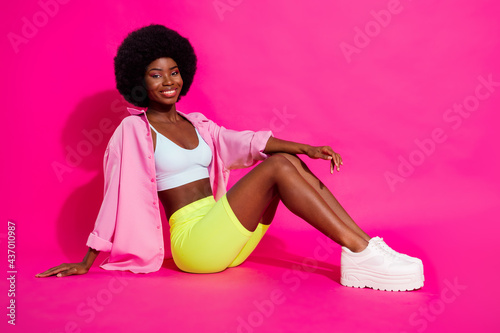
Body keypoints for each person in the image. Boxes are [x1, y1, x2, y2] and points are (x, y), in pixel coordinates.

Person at [36, 24, 424, 291]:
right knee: (277, 166)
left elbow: (246, 143)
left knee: (289, 161)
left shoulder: (199, 124)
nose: (169, 81)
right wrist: (88, 259)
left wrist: (305, 147)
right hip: (195, 245)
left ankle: (363, 247)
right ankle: (360, 253)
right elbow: (113, 196)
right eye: (156, 75)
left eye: (174, 72)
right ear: (139, 82)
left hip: (227, 237)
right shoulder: (133, 131)